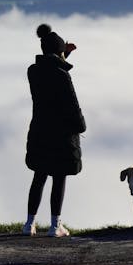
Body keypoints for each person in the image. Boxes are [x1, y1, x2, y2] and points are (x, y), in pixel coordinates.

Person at [22, 23, 86, 237]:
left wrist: (62, 53)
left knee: (39, 176)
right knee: (59, 177)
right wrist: (81, 126)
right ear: (58, 52)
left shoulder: (33, 71)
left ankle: (29, 224)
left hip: (40, 130)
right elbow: (71, 104)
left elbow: (51, 67)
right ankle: (54, 225)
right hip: (61, 134)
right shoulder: (62, 75)